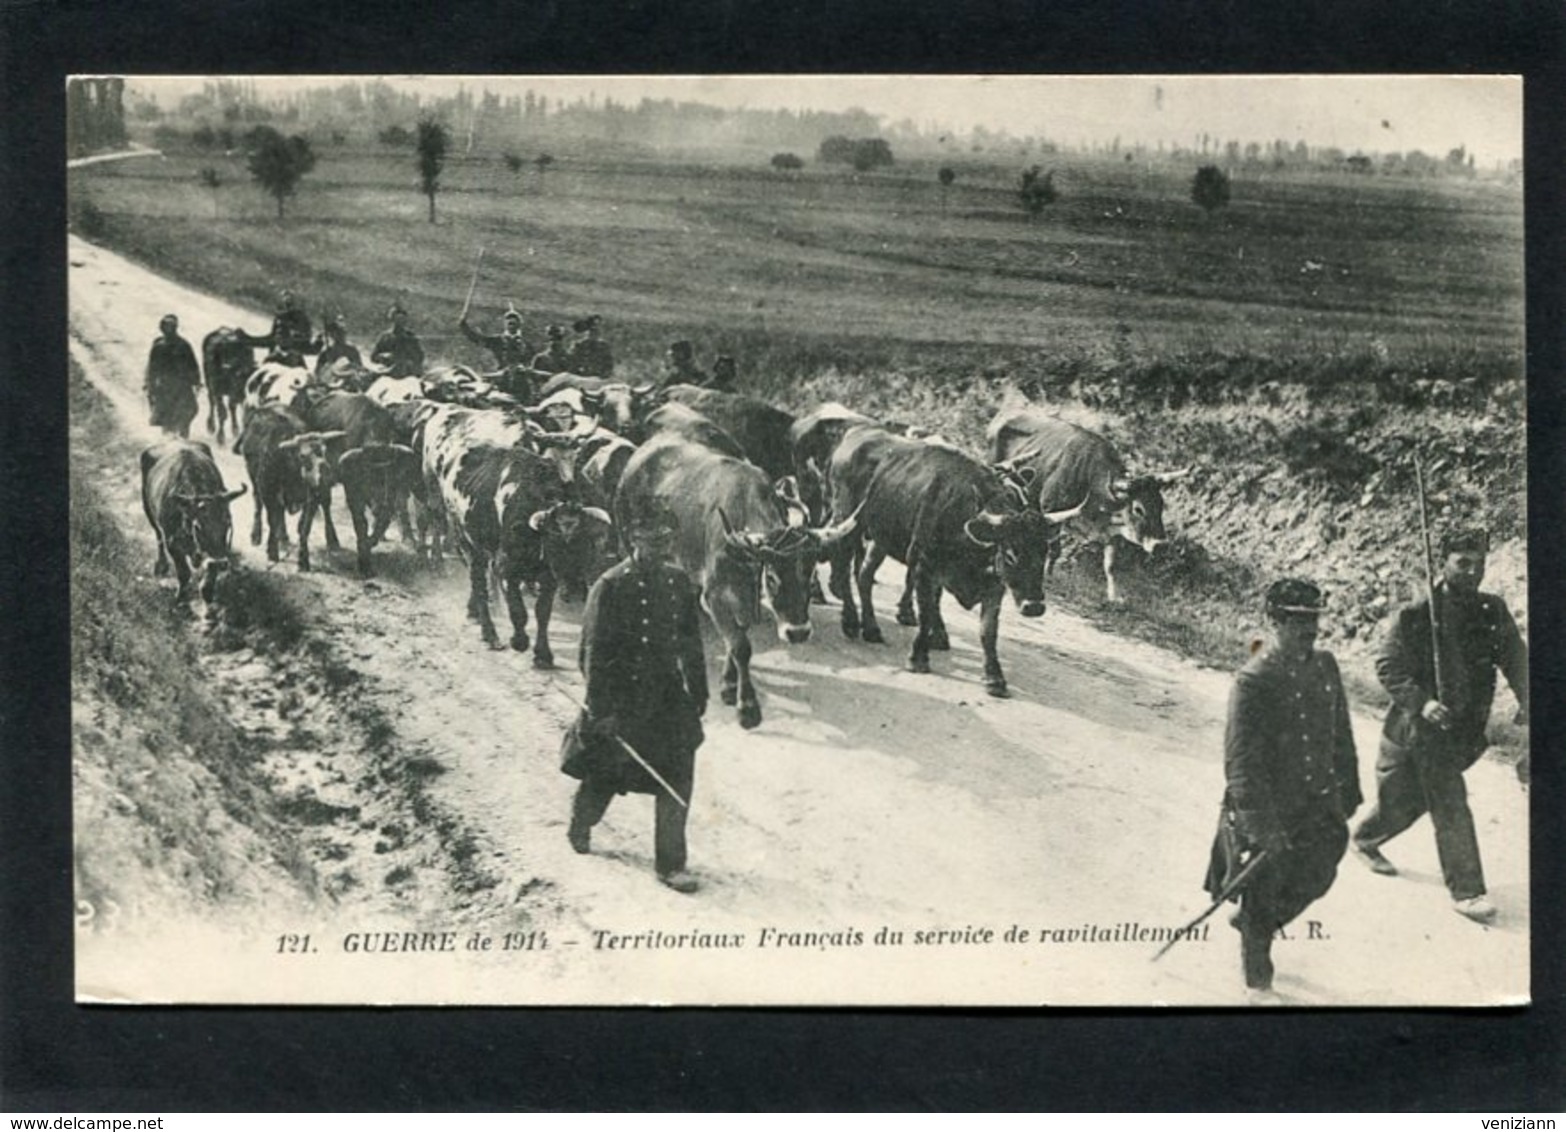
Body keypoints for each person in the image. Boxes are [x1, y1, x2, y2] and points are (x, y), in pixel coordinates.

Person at [1351, 529, 1529, 924]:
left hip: (1463, 732)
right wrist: (1423, 701)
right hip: (1419, 728)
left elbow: (1517, 660)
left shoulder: (1492, 611)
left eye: (1479, 564)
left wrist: (1531, 700)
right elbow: (1388, 666)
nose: (1472, 571)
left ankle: (1364, 838)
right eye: (1462, 563)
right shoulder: (1417, 614)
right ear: (1443, 563)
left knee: (1407, 800)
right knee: (1449, 802)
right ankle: (1468, 892)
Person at [1204, 578, 1361, 1001]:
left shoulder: (1325, 665)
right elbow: (1240, 762)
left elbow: (1340, 731)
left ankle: (1257, 921)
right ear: (1274, 621)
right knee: (1265, 884)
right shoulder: (1254, 679)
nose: (1308, 629)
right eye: (1296, 621)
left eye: (1313, 619)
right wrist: (1260, 825)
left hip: (1317, 799)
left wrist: (1349, 788)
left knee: (1323, 865)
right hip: (1271, 805)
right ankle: (1258, 979)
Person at [561, 503, 707, 894]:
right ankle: (581, 820)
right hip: (621, 701)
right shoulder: (610, 586)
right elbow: (591, 653)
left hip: (667, 701)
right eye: (651, 539)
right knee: (606, 774)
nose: (660, 546)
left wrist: (699, 693)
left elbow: (692, 645)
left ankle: (671, 863)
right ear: (633, 540)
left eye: (666, 539)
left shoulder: (679, 584)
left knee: (677, 778)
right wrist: (601, 710)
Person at [144, 314, 203, 438]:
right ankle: (171, 437)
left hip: (180, 385)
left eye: (172, 327)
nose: (169, 329)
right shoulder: (159, 346)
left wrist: (196, 380)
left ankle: (181, 436)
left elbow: (192, 364)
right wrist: (150, 384)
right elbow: (152, 368)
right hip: (167, 386)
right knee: (167, 415)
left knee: (187, 411)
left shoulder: (182, 345)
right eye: (167, 327)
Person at [241, 288, 314, 366]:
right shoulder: (281, 318)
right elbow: (270, 339)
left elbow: (305, 343)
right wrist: (247, 339)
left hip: (287, 359)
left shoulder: (301, 319)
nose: (287, 305)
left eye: (290, 302)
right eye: (285, 302)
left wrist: (247, 339)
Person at [458, 302, 533, 370]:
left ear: (519, 324)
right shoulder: (497, 341)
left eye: (514, 320)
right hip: (500, 376)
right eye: (508, 320)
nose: (511, 322)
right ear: (504, 324)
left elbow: (532, 362)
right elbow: (477, 339)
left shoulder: (526, 344)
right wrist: (464, 326)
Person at [370, 303, 425, 378]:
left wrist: (408, 356)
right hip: (387, 370)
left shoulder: (410, 337)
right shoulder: (385, 337)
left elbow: (420, 357)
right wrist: (383, 356)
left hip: (406, 372)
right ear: (392, 320)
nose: (400, 322)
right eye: (397, 319)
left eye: (402, 319)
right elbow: (373, 357)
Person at [313, 315, 362, 381]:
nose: (340, 336)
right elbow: (317, 373)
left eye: (342, 333)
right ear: (332, 335)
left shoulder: (352, 351)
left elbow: (359, 368)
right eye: (337, 333)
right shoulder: (326, 353)